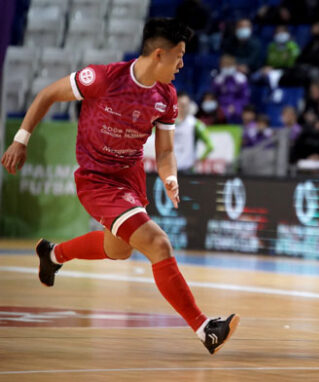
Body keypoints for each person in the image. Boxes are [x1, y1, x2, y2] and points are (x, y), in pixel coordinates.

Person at [0, 18, 239, 354]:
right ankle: (205, 328)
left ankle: (53, 254)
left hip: (129, 179)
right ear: (159, 54)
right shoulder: (103, 77)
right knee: (158, 244)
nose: (182, 65)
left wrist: (170, 177)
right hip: (97, 180)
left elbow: (166, 151)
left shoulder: (166, 96)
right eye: (179, 56)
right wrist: (20, 140)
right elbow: (47, 94)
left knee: (118, 250)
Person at [174, 92, 214, 174]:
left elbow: (210, 146)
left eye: (186, 105)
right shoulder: (168, 123)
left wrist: (198, 161)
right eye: (181, 105)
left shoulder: (195, 124)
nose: (184, 108)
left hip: (187, 170)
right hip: (170, 169)